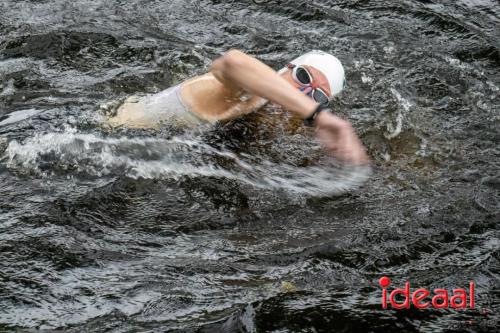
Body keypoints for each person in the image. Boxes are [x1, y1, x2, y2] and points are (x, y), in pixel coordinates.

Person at [107, 49, 369, 165]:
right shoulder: (243, 95)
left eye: (317, 96)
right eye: (303, 77)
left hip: (134, 155)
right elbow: (232, 62)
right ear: (285, 69)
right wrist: (318, 114)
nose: (302, 92)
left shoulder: (274, 115)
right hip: (103, 140)